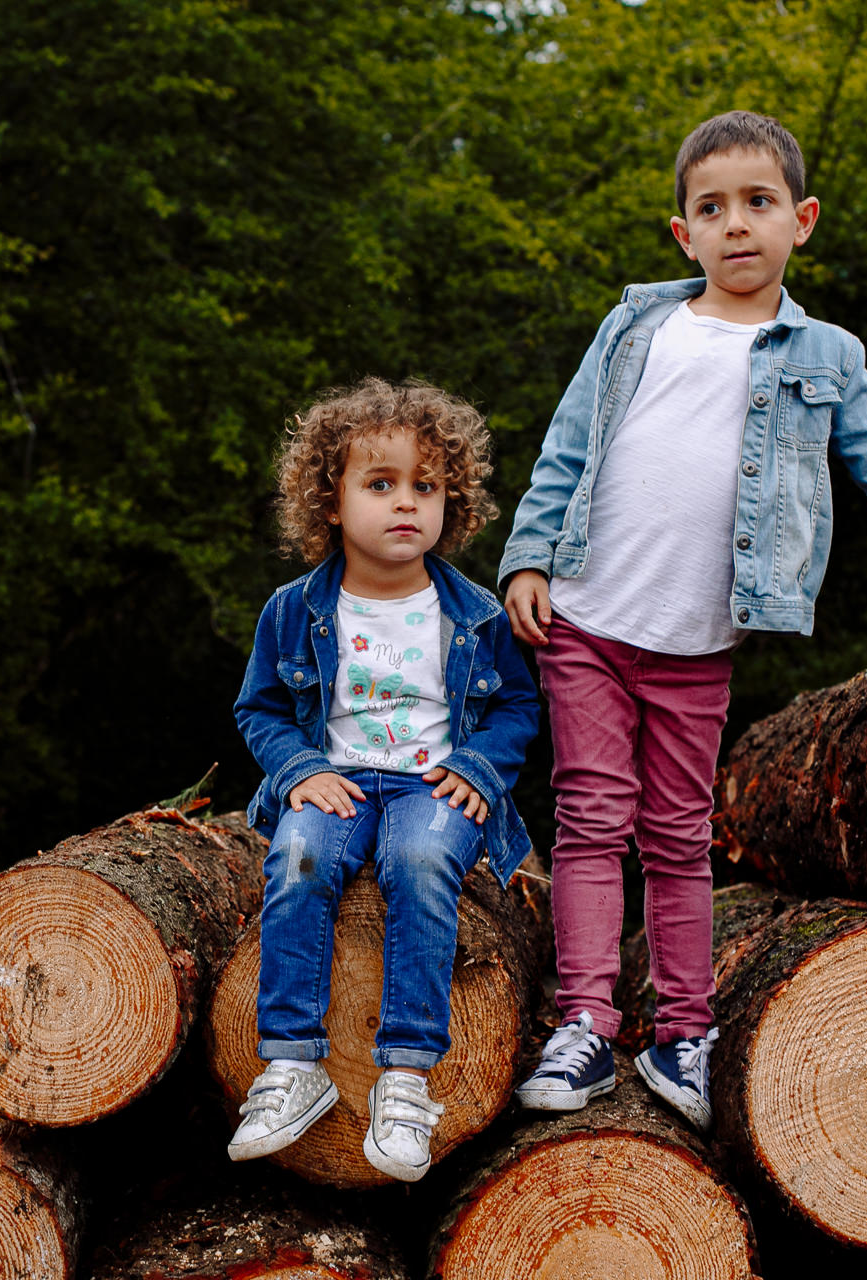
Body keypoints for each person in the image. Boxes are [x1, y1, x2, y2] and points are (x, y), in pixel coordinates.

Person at [499, 111, 867, 1131]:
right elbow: (566, 445)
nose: (736, 225)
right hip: (587, 616)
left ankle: (682, 1033)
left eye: (758, 203)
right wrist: (529, 554)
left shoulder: (828, 355)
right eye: (711, 209)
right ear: (683, 235)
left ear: (800, 220)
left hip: (697, 639)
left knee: (676, 834)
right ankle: (583, 1020)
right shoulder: (636, 327)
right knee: (590, 817)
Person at [230, 377, 540, 1181]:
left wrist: (479, 767)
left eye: (425, 487)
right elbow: (258, 707)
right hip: (338, 779)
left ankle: (405, 1078)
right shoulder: (294, 610)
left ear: (452, 503)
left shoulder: (473, 614)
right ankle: (291, 1064)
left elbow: (517, 708)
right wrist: (297, 770)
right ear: (329, 502)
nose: (406, 504)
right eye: (381, 484)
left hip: (431, 785)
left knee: (418, 861)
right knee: (298, 856)